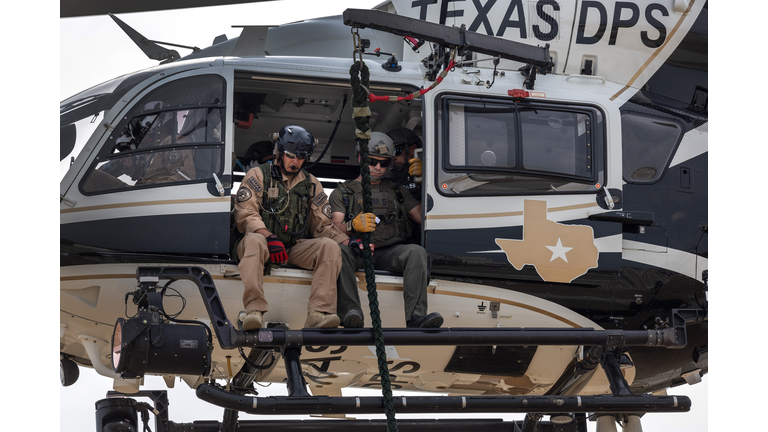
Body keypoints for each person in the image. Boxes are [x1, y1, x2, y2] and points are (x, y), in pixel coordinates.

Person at [234, 125, 348, 330]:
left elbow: (323, 225)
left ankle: (319, 313)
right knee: (254, 240)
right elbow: (245, 214)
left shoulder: (312, 184)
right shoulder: (258, 175)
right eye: (290, 155)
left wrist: (347, 241)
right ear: (279, 151)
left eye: (301, 157)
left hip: (294, 247)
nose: (295, 162)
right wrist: (268, 237)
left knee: (329, 246)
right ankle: (254, 310)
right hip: (262, 243)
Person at [330, 131, 443, 329]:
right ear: (360, 157)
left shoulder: (397, 190)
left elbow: (423, 217)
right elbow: (333, 229)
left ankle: (416, 317)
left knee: (416, 252)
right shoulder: (343, 192)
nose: (378, 168)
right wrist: (352, 226)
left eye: (384, 164)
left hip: (389, 252)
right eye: (372, 161)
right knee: (338, 251)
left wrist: (428, 178)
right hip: (358, 252)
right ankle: (350, 312)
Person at [387, 128, 423, 201]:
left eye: (397, 151)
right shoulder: (384, 176)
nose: (393, 157)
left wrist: (425, 177)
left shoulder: (429, 172)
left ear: (413, 149)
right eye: (390, 153)